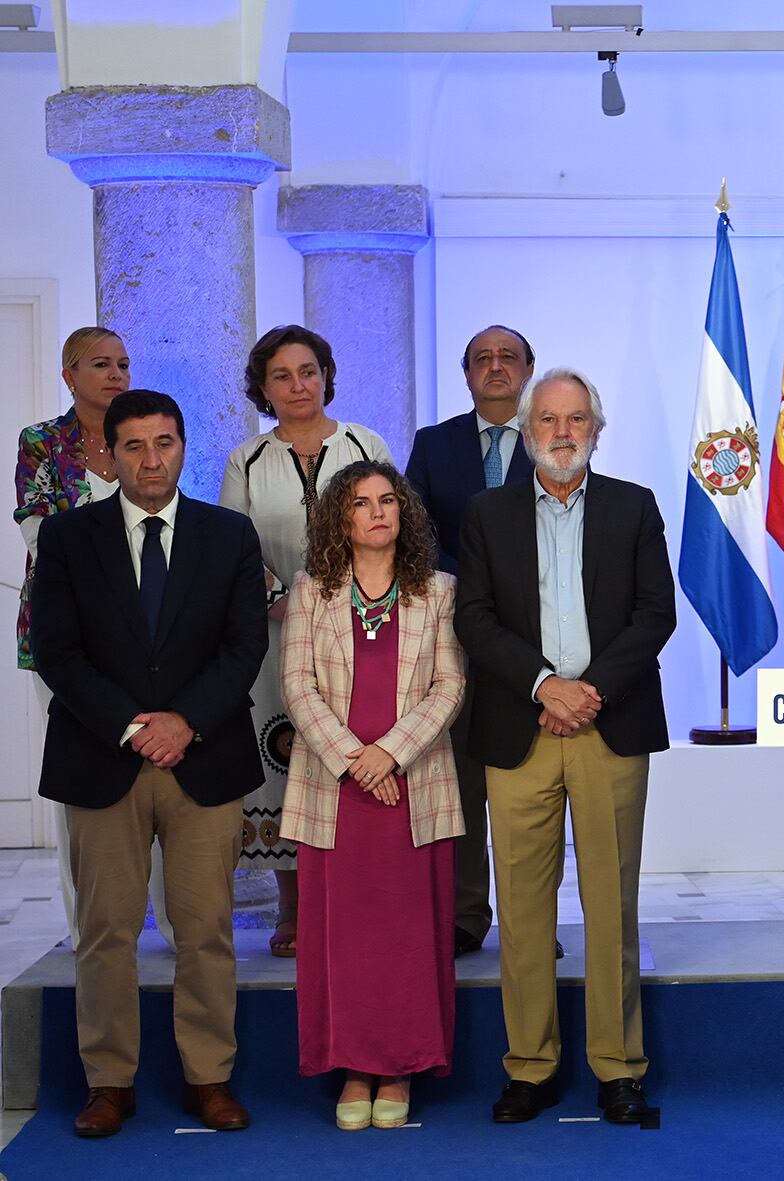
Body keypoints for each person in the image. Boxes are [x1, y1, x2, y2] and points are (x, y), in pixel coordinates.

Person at [31, 390, 267, 1137]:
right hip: (103, 758)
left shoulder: (231, 535)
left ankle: (209, 1076)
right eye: (135, 445)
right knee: (107, 929)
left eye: (164, 442)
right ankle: (110, 1081)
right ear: (111, 453)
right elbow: (59, 652)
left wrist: (185, 720)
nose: (152, 458)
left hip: (204, 757)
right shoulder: (69, 538)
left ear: (182, 445)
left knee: (206, 928)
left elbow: (244, 647)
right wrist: (136, 727)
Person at [455, 367, 675, 1125]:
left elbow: (655, 616)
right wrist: (546, 684)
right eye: (546, 418)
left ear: (595, 429)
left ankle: (618, 1067)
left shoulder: (634, 507)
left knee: (612, 905)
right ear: (525, 430)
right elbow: (474, 620)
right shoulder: (486, 513)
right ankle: (530, 1065)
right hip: (520, 728)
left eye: (575, 418)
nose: (561, 431)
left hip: (608, 727)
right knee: (520, 911)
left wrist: (588, 691)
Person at [280, 461, 465, 1130]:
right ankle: (355, 1066)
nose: (378, 511)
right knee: (345, 939)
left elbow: (448, 686)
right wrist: (356, 760)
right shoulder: (310, 591)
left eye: (388, 500)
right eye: (361, 502)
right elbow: (297, 687)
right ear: (342, 518)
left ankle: (401, 1065)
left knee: (407, 937)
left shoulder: (439, 591)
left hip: (413, 787)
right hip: (337, 792)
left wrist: (390, 752)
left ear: (404, 512)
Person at [219, 324, 391, 957]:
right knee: (285, 758)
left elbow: (387, 523)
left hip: (362, 630)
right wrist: (280, 601)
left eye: (309, 371)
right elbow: (234, 547)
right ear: (263, 388)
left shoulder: (363, 443)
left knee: (355, 755)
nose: (299, 385)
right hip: (275, 636)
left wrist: (345, 598)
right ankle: (292, 908)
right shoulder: (248, 460)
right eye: (283, 375)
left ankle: (354, 900)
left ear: (327, 375)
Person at [14, 327, 173, 949]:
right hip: (66, 636)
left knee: (161, 773)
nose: (115, 374)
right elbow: (40, 532)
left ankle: (171, 922)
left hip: (153, 633)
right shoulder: (42, 443)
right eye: (100, 364)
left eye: (124, 364)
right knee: (84, 774)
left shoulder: (143, 438)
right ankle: (90, 924)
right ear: (69, 374)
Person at [405, 325, 537, 958]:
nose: (494, 367)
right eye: (481, 358)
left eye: (507, 357)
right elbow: (414, 528)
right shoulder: (435, 445)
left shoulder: (552, 439)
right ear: (465, 374)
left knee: (525, 786)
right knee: (457, 779)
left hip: (530, 642)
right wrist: (467, 590)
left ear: (527, 369)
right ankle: (463, 916)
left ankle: (529, 922)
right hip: (450, 635)